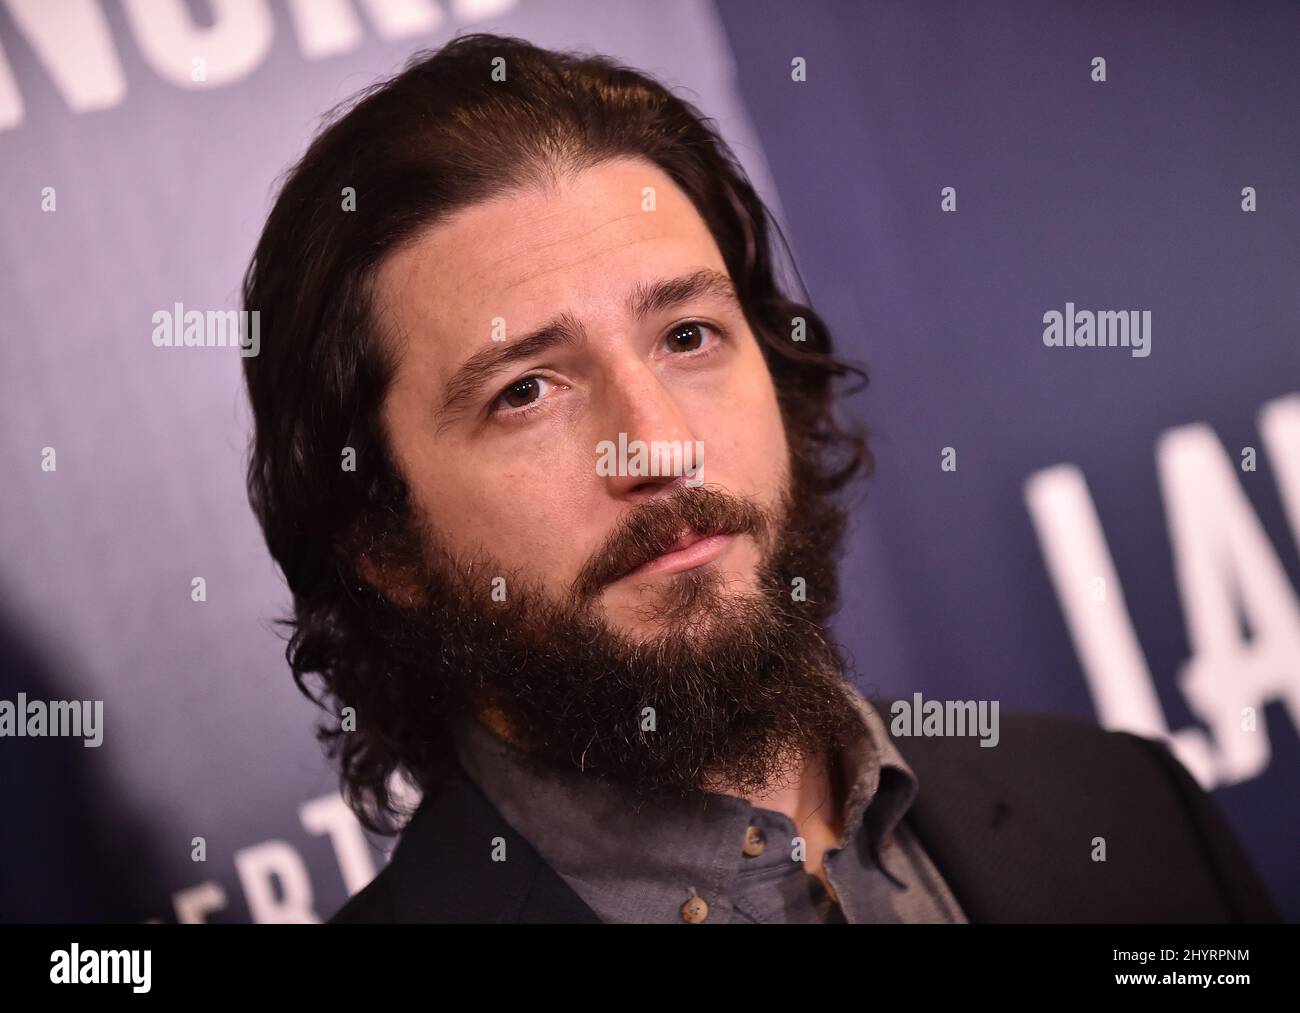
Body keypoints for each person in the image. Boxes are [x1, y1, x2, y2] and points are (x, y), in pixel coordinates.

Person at [240, 32, 1281, 924]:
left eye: (688, 333)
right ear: (383, 547)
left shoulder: (1123, 805)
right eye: (526, 391)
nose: (657, 444)